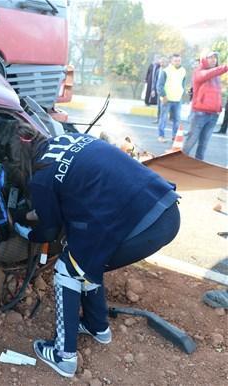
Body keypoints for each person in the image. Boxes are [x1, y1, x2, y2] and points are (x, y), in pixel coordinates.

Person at [11, 126, 180, 378]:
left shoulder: (42, 177)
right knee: (88, 258)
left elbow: (48, 231)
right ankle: (96, 326)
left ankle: (63, 356)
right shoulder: (73, 139)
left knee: (68, 270)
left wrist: (24, 230)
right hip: (164, 207)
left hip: (143, 227)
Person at [182, 52, 228, 160]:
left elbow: (216, 94)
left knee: (204, 144)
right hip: (199, 113)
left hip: (213, 115)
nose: (213, 60)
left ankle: (199, 166)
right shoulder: (199, 72)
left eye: (215, 58)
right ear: (204, 60)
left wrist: (219, 108)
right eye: (210, 58)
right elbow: (210, 73)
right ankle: (179, 163)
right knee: (191, 141)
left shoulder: (216, 76)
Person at [156, 54, 186, 142]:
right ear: (171, 61)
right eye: (175, 61)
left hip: (178, 100)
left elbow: (183, 84)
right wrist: (163, 96)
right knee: (163, 119)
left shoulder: (183, 71)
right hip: (167, 99)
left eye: (179, 60)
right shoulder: (165, 71)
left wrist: (181, 93)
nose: (177, 62)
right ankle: (161, 136)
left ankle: (174, 136)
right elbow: (159, 85)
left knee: (177, 119)